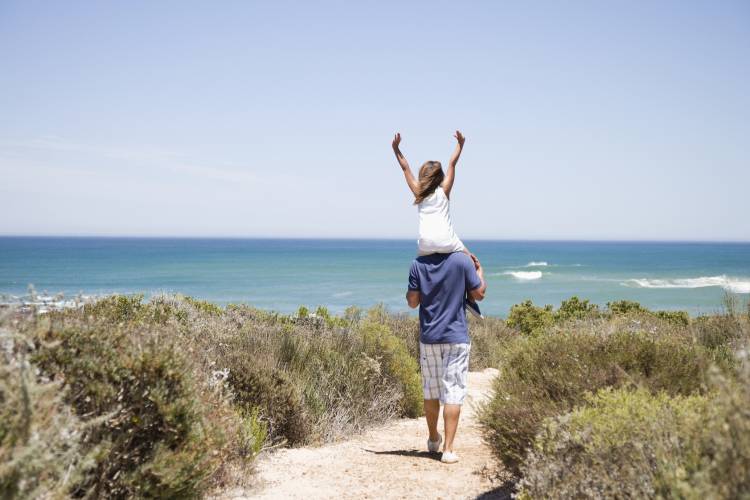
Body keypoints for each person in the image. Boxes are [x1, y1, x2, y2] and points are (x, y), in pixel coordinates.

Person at [406, 248, 487, 464]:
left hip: (430, 336)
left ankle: (433, 439)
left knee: (431, 390)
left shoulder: (418, 264)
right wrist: (480, 270)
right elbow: (479, 294)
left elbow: (413, 302)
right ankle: (448, 450)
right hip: (456, 337)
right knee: (454, 390)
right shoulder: (463, 261)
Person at [392, 130, 483, 318]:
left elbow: (405, 168)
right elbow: (452, 163)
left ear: (424, 176)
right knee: (471, 261)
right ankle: (471, 300)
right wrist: (461, 144)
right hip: (448, 242)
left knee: (426, 271)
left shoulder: (419, 192)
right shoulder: (444, 191)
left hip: (425, 244)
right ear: (439, 177)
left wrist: (396, 148)